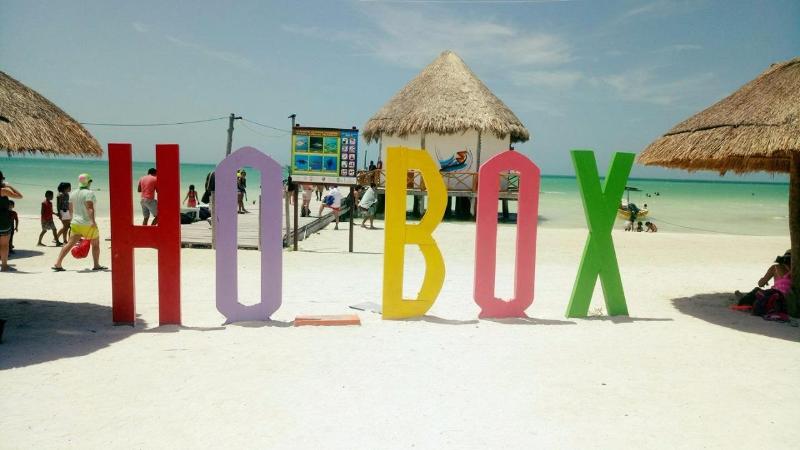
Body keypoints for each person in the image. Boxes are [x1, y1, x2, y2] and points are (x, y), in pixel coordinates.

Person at [53, 174, 107, 272]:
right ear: (88, 182)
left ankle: (58, 263)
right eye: (90, 181)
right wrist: (93, 221)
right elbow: (90, 208)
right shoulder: (89, 193)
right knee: (95, 244)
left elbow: (70, 208)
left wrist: (72, 219)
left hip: (75, 223)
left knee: (69, 244)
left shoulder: (73, 193)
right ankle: (96, 265)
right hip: (88, 224)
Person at [735, 251, 791, 316]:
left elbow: (761, 284)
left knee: (756, 290)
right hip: (790, 297)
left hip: (777, 295)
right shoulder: (796, 270)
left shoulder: (775, 267)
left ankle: (743, 300)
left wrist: (763, 280)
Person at [0, 171, 23, 271]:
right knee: (4, 245)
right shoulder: (3, 190)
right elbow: (19, 196)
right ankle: (4, 266)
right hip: (3, 220)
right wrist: (10, 186)